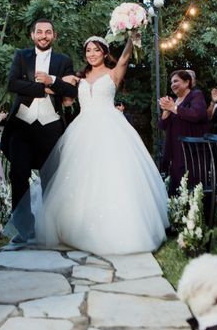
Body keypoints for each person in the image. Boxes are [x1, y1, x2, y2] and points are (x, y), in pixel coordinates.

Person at [28, 35, 169, 254]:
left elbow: (124, 59)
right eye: (88, 51)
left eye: (96, 50)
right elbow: (63, 96)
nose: (91, 54)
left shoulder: (113, 73)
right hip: (82, 129)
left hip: (110, 127)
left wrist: (132, 38)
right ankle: (76, 227)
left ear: (104, 52)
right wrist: (50, 86)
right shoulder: (79, 77)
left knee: (111, 174)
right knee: (79, 176)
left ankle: (117, 228)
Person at [0, 18, 78, 240]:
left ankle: (51, 227)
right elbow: (12, 84)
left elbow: (70, 91)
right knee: (18, 175)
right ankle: (24, 229)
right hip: (21, 126)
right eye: (40, 32)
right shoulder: (21, 56)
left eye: (48, 32)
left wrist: (52, 79)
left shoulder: (64, 61)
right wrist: (41, 88)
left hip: (51, 127)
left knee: (51, 178)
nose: (44, 35)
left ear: (54, 36)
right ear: (32, 35)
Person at [158, 70, 210, 192]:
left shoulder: (196, 95)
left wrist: (173, 108)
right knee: (177, 187)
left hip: (192, 151)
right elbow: (162, 125)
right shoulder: (174, 101)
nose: (172, 84)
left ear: (187, 82)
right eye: (171, 82)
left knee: (191, 186)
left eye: (176, 81)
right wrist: (166, 110)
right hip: (175, 150)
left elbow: (197, 114)